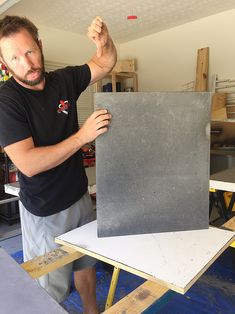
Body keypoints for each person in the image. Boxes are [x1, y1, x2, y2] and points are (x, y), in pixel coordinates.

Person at [0, 15, 117, 313]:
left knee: (85, 265)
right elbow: (28, 163)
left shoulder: (63, 80)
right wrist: (82, 137)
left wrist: (106, 42)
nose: (26, 63)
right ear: (4, 63)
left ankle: (92, 311)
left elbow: (105, 63)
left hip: (79, 196)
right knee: (51, 290)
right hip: (45, 210)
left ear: (40, 45)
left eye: (29, 51)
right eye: (14, 58)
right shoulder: (6, 101)